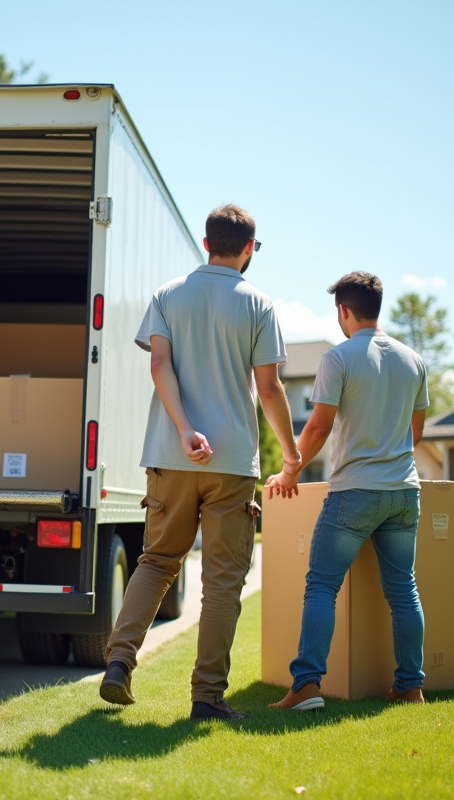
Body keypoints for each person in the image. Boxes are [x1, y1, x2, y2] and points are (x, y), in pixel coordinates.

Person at [99, 204, 301, 721]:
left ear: (206, 242)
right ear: (249, 248)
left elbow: (158, 363)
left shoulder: (169, 295)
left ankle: (120, 662)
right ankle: (207, 697)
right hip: (231, 461)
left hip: (171, 455)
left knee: (157, 561)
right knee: (222, 581)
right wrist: (293, 452)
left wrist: (185, 429)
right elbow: (269, 387)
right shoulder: (258, 303)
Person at [267, 271, 429, 711]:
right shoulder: (413, 360)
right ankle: (410, 686)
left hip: (354, 492)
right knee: (404, 591)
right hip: (404, 493)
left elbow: (318, 425)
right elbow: (415, 434)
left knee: (321, 586)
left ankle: (306, 687)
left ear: (343, 310)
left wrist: (289, 470)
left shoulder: (337, 358)